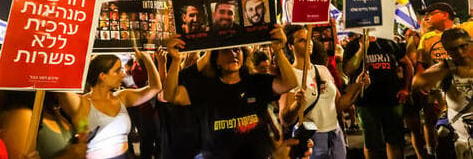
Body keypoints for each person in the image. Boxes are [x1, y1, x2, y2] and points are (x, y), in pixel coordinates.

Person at [163, 24, 298, 159]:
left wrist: (279, 50)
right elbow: (171, 95)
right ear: (215, 59)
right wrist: (176, 60)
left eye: (236, 49)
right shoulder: (205, 87)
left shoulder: (256, 82)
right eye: (226, 50)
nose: (233, 53)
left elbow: (290, 83)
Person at [279, 24, 369, 159]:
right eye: (301, 40)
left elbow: (338, 105)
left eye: (309, 38)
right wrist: (296, 105)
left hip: (335, 134)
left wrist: (357, 85)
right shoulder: (290, 76)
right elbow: (285, 119)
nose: (308, 43)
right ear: (290, 46)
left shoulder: (322, 70)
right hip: (312, 138)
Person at [58, 48, 161, 158]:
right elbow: (60, 84)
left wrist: (146, 56)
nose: (122, 75)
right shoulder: (81, 103)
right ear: (102, 76)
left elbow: (155, 88)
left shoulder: (122, 97)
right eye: (117, 71)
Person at [416, 2, 473, 157]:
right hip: (442, 91)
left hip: (467, 86)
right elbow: (420, 64)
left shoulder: (467, 29)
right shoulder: (426, 38)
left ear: (444, 14)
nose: (426, 17)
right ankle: (433, 151)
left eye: (431, 13)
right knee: (440, 130)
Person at [343, 34, 414, 159]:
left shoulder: (388, 42)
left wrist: (406, 89)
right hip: (366, 102)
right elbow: (348, 70)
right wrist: (362, 49)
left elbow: (407, 64)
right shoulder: (353, 45)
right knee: (372, 144)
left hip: (392, 99)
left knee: (395, 141)